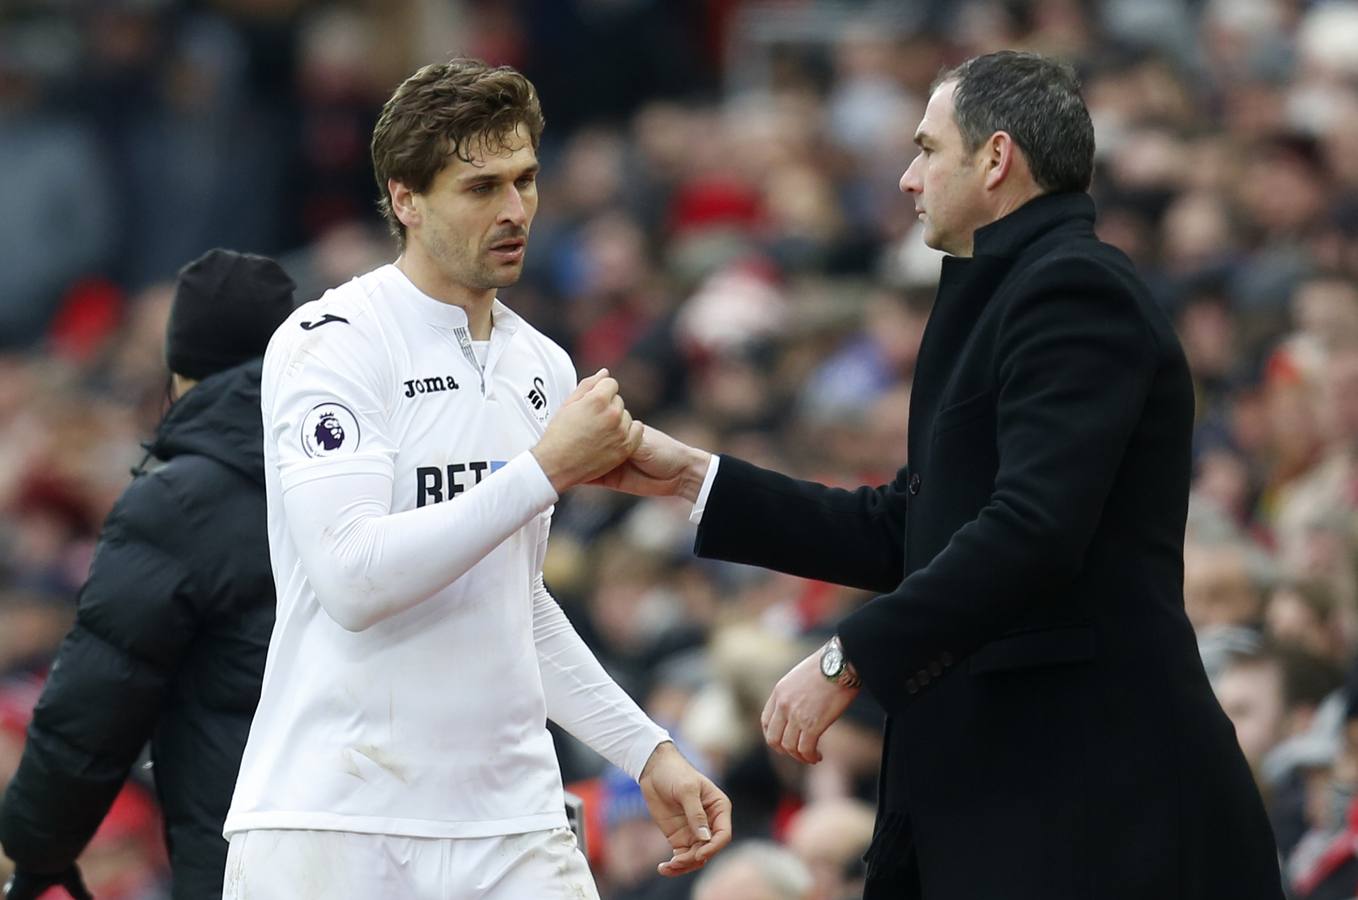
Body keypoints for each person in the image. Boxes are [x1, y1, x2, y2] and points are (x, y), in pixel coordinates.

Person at [595, 51, 1285, 898]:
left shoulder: (1073, 289)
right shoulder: (1005, 291)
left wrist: (849, 660)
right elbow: (911, 527)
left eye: (927, 149)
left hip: (1097, 806)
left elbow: (1033, 530)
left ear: (995, 159)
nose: (907, 177)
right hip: (1019, 798)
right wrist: (693, 479)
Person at [221, 58, 731, 898]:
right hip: (335, 823)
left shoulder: (543, 365)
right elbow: (352, 578)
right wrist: (542, 470)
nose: (515, 210)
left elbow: (513, 601)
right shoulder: (333, 339)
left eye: (526, 180)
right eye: (480, 186)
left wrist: (646, 750)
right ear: (405, 199)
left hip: (512, 823)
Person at [0, 248, 298, 899]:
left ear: (181, 367)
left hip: (252, 858)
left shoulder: (178, 504)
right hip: (402, 845)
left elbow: (95, 703)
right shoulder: (376, 471)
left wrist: (38, 846)